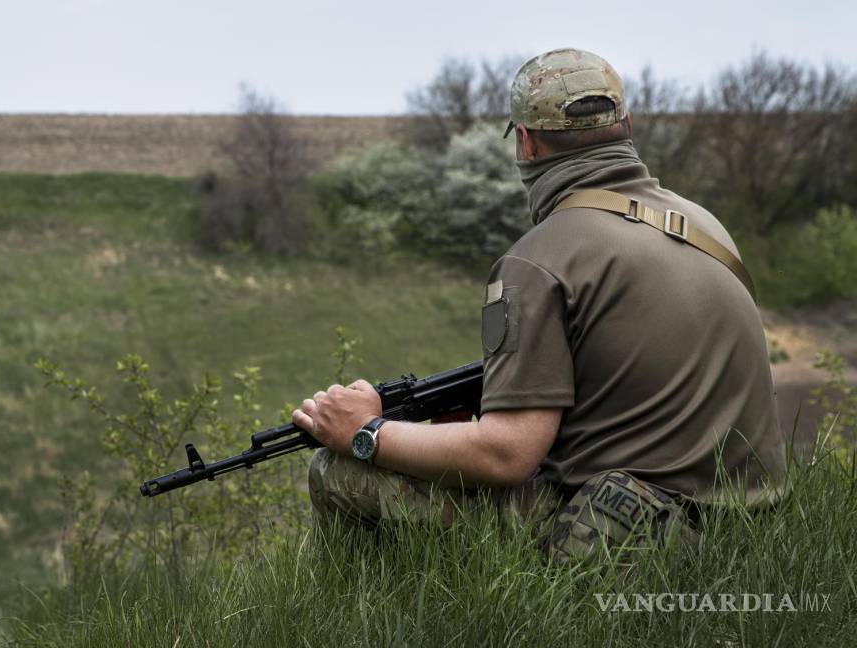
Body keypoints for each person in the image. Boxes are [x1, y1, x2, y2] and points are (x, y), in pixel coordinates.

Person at [291, 48, 788, 562]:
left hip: (627, 532)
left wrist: (367, 432)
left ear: (526, 144)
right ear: (627, 125)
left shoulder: (536, 261)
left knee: (337, 472)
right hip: (749, 525)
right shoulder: (705, 226)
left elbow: (507, 454)